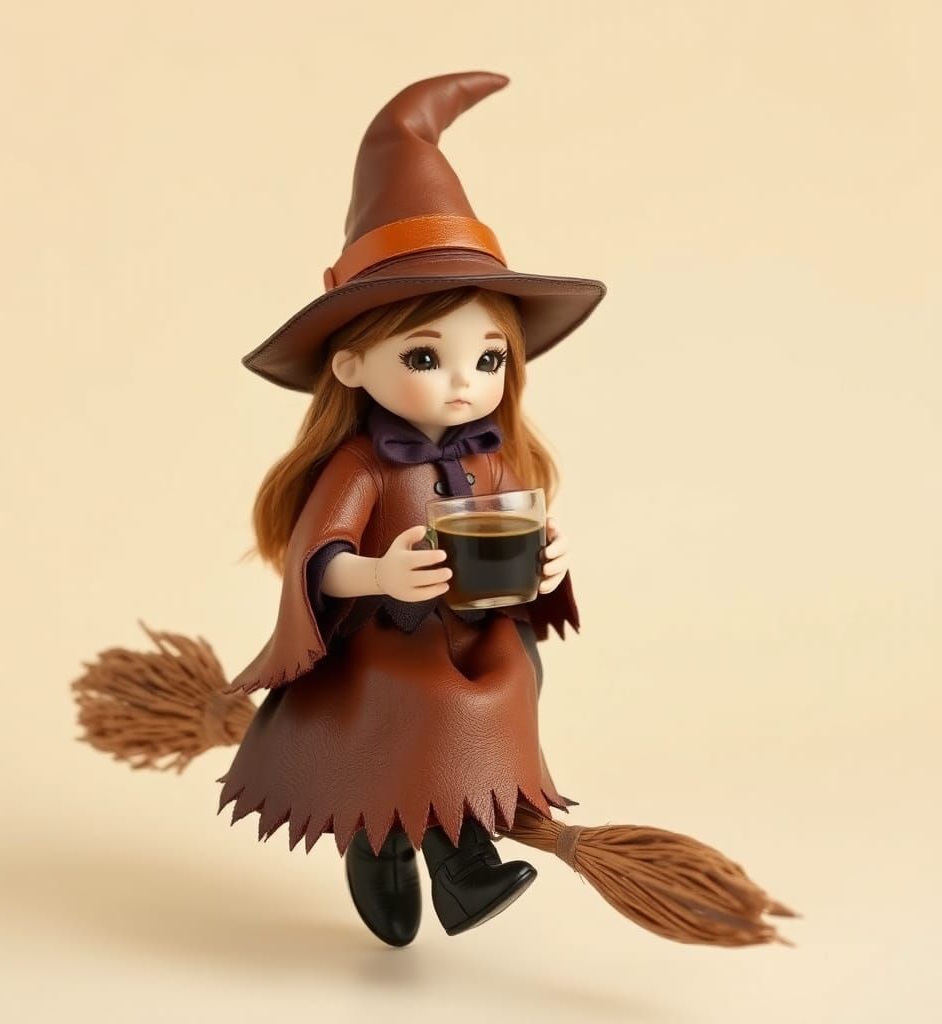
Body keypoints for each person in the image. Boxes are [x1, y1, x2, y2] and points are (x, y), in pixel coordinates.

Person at [215, 71, 606, 946]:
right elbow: (320, 558)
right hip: (388, 641)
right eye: (426, 357)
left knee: (511, 672)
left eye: (489, 358)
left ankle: (446, 848)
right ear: (351, 364)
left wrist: (547, 563)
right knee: (424, 700)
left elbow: (520, 525)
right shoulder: (361, 464)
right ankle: (417, 854)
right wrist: (379, 573)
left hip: (472, 630)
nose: (465, 382)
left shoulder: (493, 454)